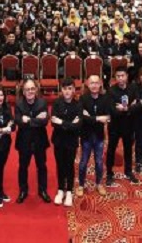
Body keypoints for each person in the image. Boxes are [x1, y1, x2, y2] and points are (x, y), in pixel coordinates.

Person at [14, 78, 51, 204]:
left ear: (36, 90)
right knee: (23, 167)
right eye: (27, 89)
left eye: (32, 89)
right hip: (24, 141)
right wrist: (36, 119)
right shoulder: (18, 104)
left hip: (40, 140)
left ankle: (43, 190)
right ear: (23, 92)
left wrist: (28, 120)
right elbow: (18, 122)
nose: (30, 91)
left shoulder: (42, 103)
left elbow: (45, 121)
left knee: (42, 167)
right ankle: (23, 191)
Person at [77, 75, 111, 197]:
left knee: (99, 162)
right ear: (87, 84)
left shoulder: (105, 98)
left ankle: (99, 184)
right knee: (83, 162)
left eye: (97, 83)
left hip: (99, 136)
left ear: (101, 84)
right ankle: (81, 184)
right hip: (86, 135)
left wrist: (90, 117)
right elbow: (82, 117)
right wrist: (97, 118)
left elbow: (108, 117)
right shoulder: (83, 98)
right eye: (92, 83)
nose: (94, 85)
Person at [106, 66, 140, 186]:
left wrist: (125, 108)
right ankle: (109, 173)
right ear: (115, 77)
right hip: (115, 126)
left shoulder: (133, 89)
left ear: (127, 76)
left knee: (128, 149)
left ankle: (128, 171)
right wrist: (129, 108)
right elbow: (113, 110)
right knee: (111, 150)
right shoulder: (111, 91)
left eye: (122, 76)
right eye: (118, 76)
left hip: (129, 125)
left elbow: (138, 105)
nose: (120, 78)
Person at [51, 78, 80, 207]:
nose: (67, 91)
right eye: (65, 89)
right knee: (60, 165)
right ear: (61, 90)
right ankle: (60, 190)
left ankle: (69, 191)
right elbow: (53, 122)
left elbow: (78, 126)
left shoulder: (78, 105)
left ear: (74, 90)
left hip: (72, 141)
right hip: (58, 140)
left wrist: (62, 122)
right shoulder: (57, 103)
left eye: (70, 88)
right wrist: (69, 124)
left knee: (69, 165)